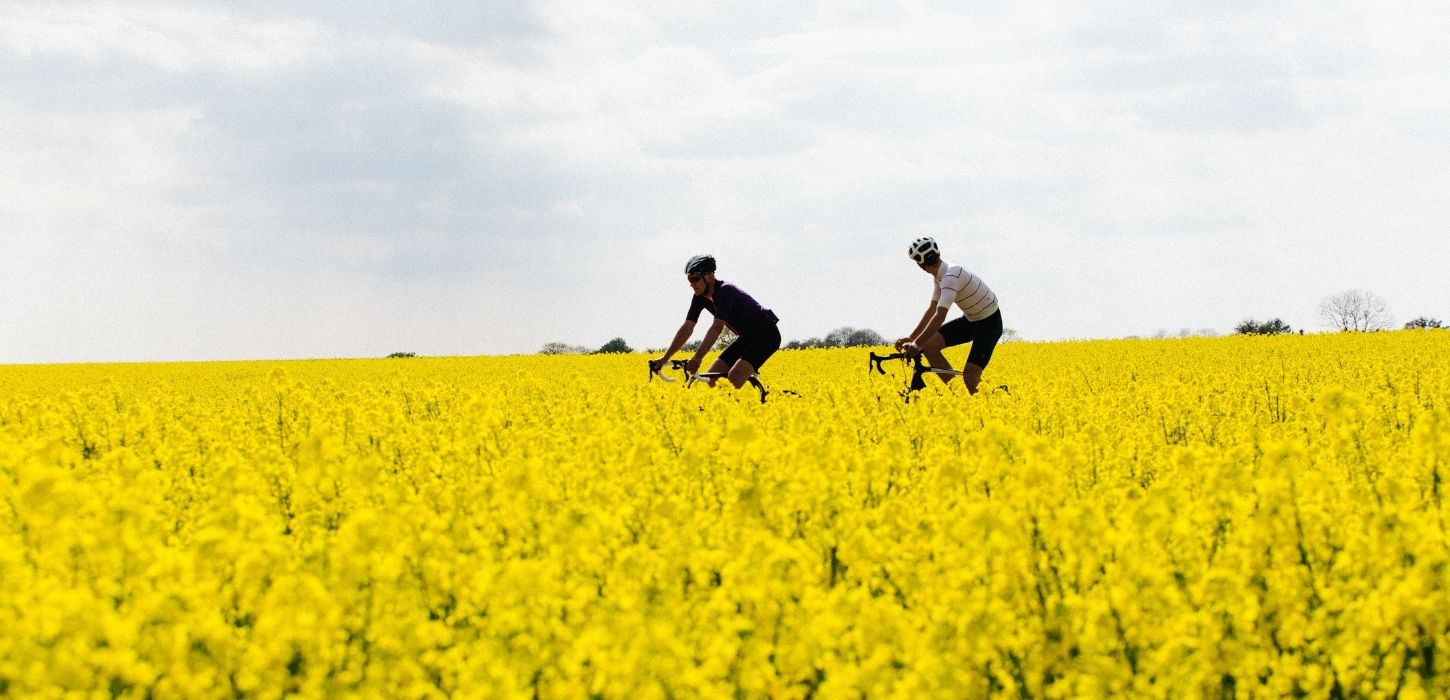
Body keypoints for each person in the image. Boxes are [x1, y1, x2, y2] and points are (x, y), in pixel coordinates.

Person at [650, 255, 781, 390]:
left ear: (710, 276)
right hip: (747, 338)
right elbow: (687, 328)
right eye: (689, 280)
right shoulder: (699, 298)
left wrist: (697, 358)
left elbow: (717, 327)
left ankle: (744, 409)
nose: (692, 284)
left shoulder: (726, 290)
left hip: (766, 335)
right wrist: (665, 358)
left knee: (734, 377)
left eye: (695, 279)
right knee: (713, 381)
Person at [895, 237, 1003, 394]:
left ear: (919, 264)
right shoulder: (940, 276)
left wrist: (916, 344)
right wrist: (913, 338)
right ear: (938, 253)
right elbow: (932, 309)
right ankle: (960, 395)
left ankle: (994, 402)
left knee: (970, 376)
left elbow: (939, 316)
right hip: (971, 320)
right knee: (929, 346)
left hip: (989, 324)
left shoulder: (951, 276)